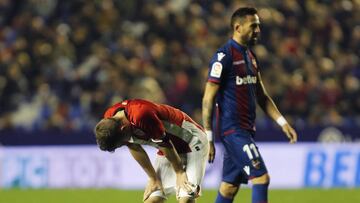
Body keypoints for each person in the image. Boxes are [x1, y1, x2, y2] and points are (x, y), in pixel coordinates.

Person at [202, 7, 298, 203]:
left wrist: (282, 123)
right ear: (238, 27)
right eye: (253, 26)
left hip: (245, 131)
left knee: (228, 188)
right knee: (261, 178)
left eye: (258, 26)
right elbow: (208, 99)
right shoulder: (224, 56)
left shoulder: (251, 57)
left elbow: (262, 96)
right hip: (233, 131)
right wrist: (209, 137)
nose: (258, 31)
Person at [94, 99, 209, 203]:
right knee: (152, 200)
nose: (125, 143)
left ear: (123, 128)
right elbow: (134, 146)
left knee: (186, 198)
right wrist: (153, 178)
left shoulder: (141, 115)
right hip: (168, 150)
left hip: (192, 142)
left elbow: (165, 143)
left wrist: (179, 172)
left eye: (121, 143)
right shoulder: (110, 120)